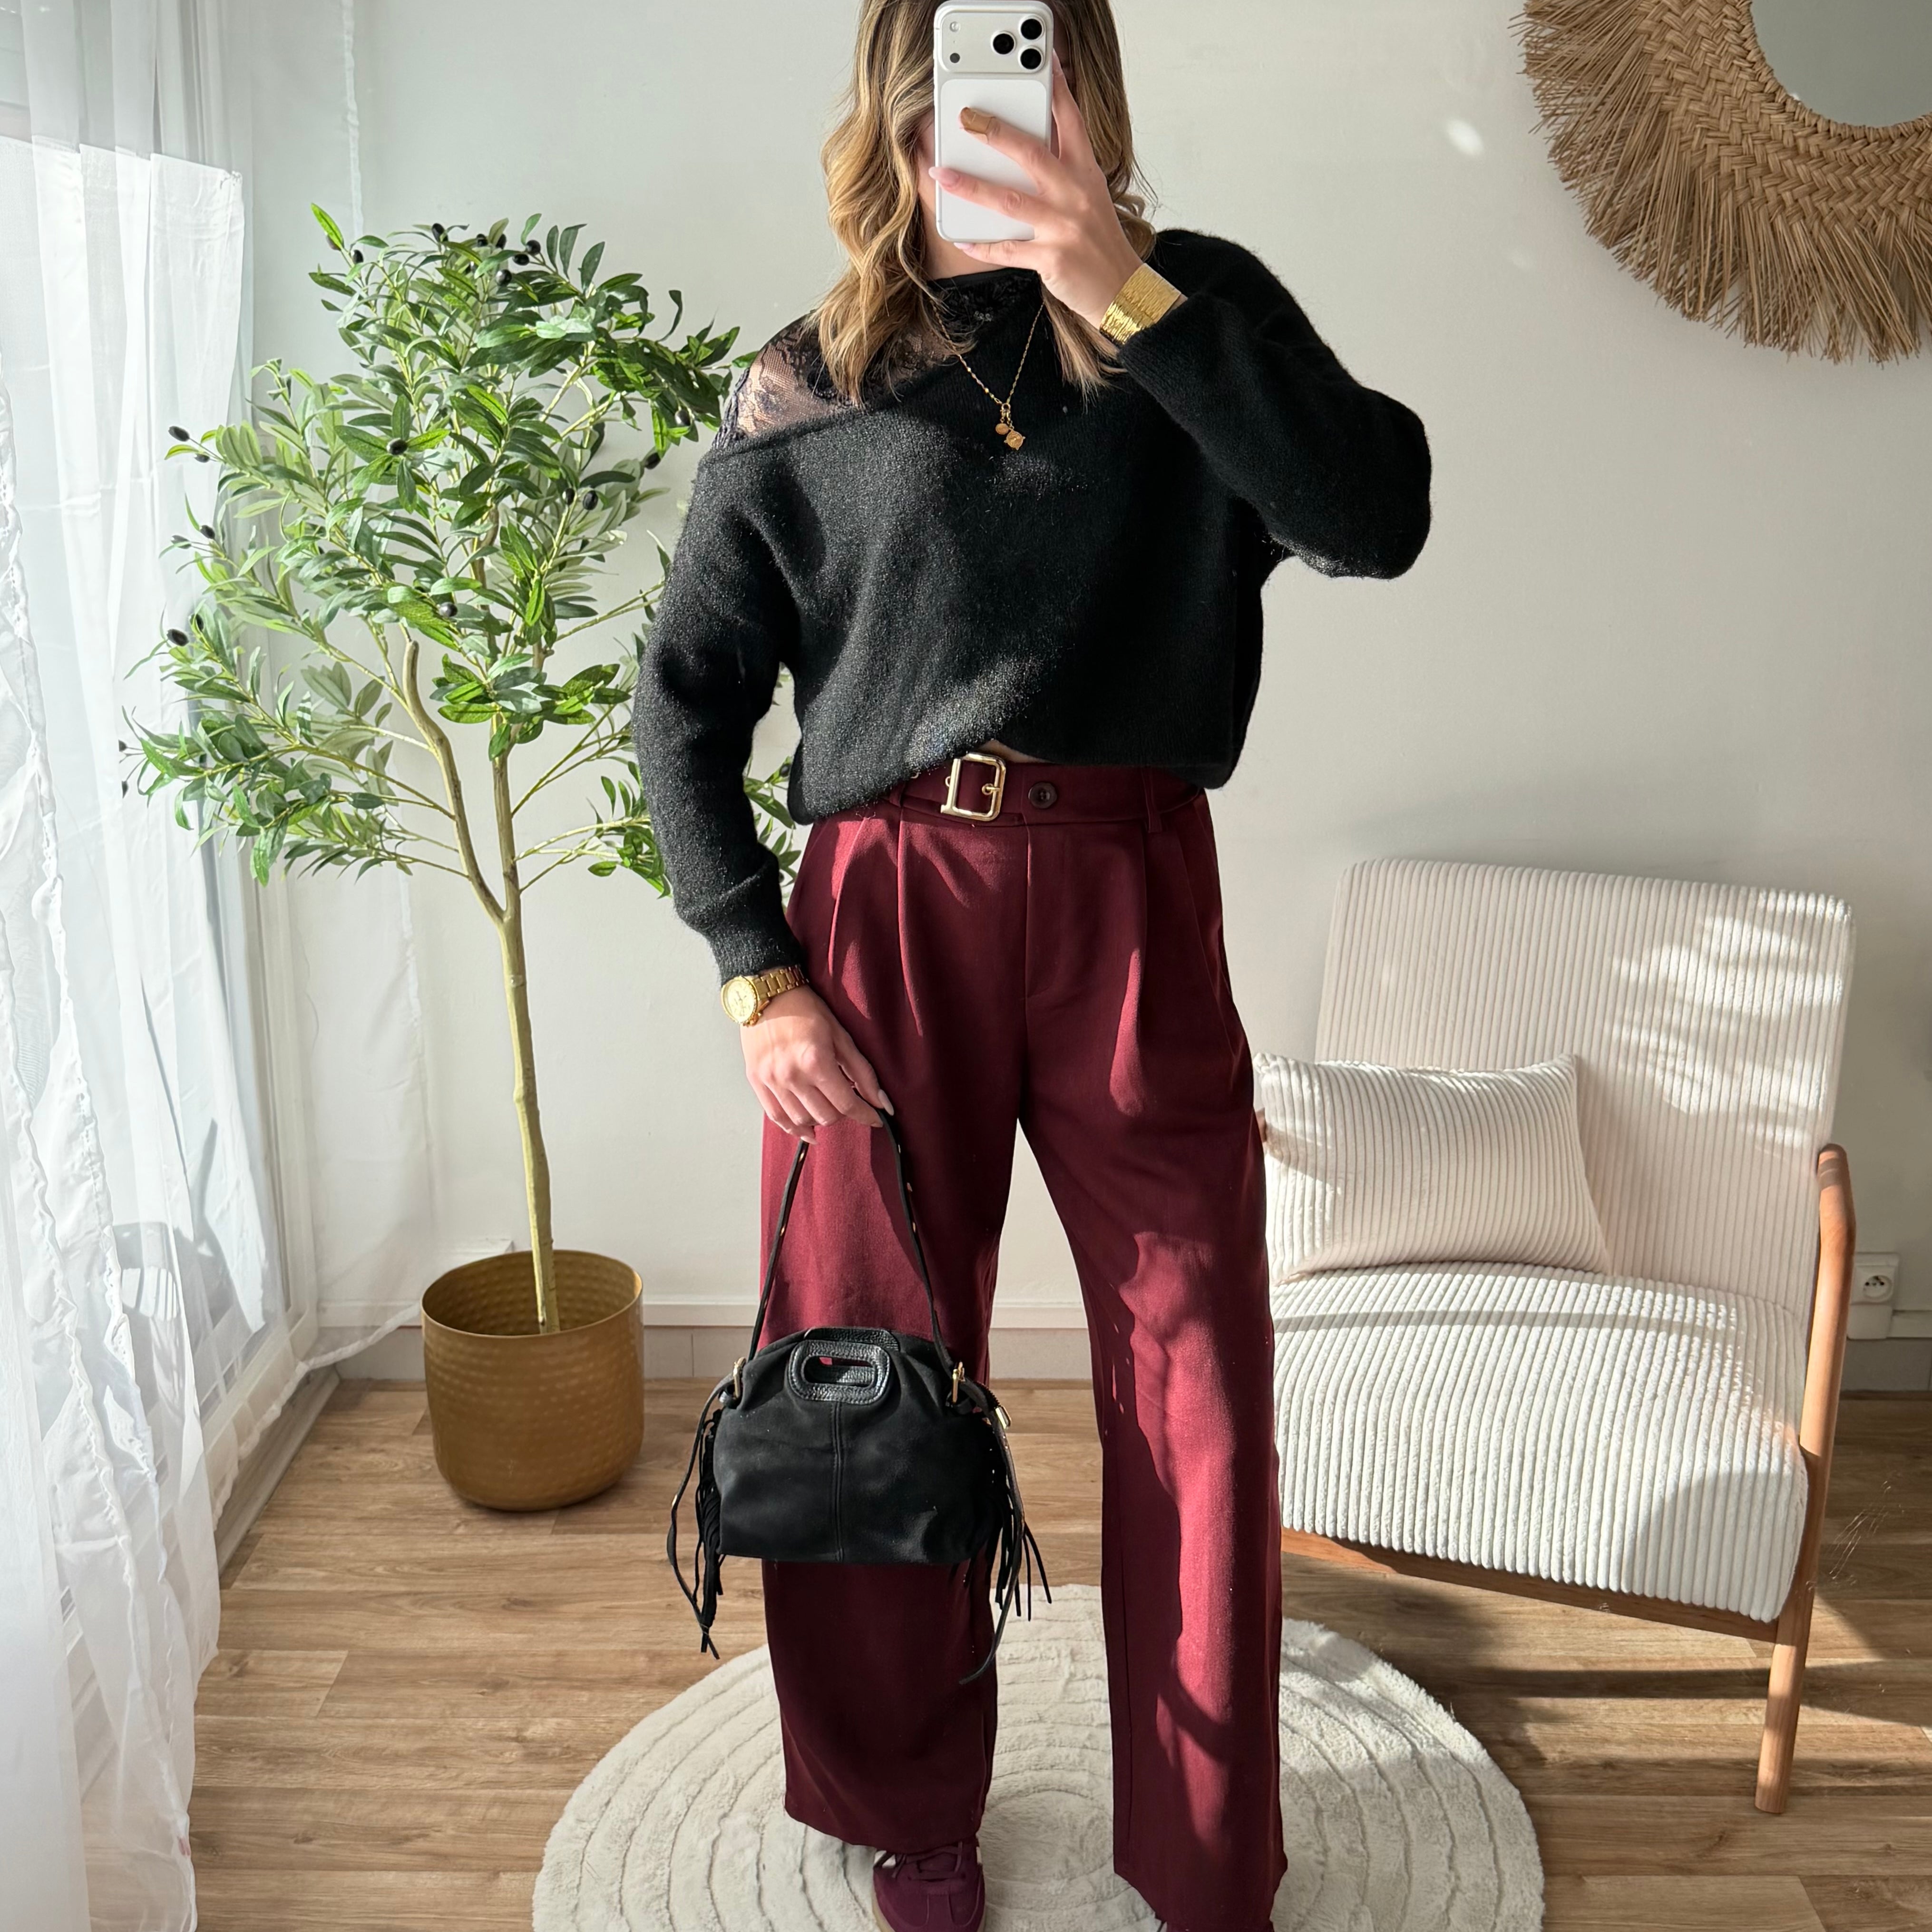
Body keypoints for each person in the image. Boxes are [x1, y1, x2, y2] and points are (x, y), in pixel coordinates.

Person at [634, 2, 1430, 1925]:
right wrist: (756, 969)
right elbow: (683, 702)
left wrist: (1117, 282)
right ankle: (907, 1805)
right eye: (952, 78)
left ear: (1082, 88)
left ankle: (1204, 1842)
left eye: (1027, 66)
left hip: (1131, 893)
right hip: (881, 914)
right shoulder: (811, 383)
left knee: (1194, 1376)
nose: (985, 114)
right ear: (896, 108)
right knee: (870, 1371)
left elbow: (1375, 516)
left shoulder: (1195, 308)